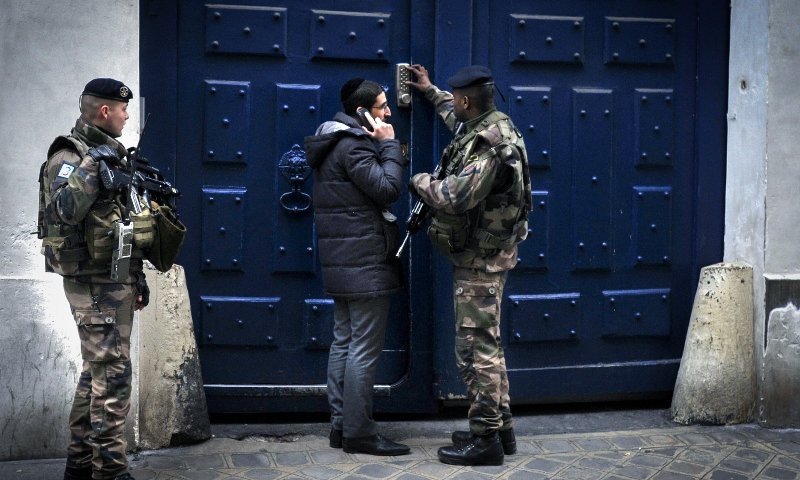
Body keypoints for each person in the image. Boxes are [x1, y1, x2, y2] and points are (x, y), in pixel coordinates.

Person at [405, 64, 532, 466]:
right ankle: (500, 428)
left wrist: (419, 181)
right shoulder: (488, 123)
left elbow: (457, 195)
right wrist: (429, 90)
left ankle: (484, 441)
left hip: (482, 260)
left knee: (476, 350)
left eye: (456, 100)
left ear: (467, 100)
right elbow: (454, 117)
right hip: (485, 255)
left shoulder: (491, 146)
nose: (453, 106)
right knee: (487, 343)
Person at [39, 78, 153, 480]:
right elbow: (65, 211)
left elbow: (122, 222)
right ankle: (111, 471)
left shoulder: (113, 156)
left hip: (113, 279)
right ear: (105, 111)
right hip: (91, 283)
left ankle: (81, 464)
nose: (126, 116)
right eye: (123, 109)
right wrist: (93, 164)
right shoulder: (70, 156)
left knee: (96, 373)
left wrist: (135, 276)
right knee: (113, 374)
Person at [303, 78, 411, 456]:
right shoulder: (354, 147)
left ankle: (341, 426)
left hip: (345, 261)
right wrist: (389, 145)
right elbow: (387, 189)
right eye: (382, 106)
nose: (388, 113)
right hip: (364, 261)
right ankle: (359, 432)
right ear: (361, 111)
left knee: (345, 341)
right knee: (362, 347)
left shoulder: (334, 143)